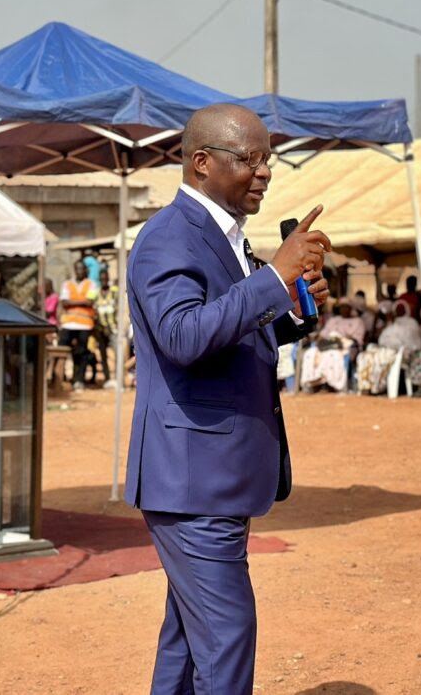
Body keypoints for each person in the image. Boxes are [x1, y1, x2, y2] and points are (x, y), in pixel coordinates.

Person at [124, 103, 328, 694]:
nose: (264, 172)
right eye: (250, 159)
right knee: (226, 637)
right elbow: (183, 337)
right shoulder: (168, 237)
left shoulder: (226, 237)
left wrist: (293, 305)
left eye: (268, 160)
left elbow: (234, 332)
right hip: (193, 481)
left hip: (218, 474)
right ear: (202, 162)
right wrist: (273, 279)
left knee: (189, 642)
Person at [60, 260, 100, 388]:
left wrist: (72, 302)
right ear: (74, 270)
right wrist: (82, 301)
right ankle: (59, 378)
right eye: (77, 268)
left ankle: (79, 379)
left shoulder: (92, 284)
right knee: (62, 351)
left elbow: (90, 301)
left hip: (85, 324)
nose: (80, 271)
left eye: (82, 268)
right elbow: (64, 303)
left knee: (82, 352)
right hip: (68, 323)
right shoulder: (67, 284)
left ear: (86, 270)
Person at [94, 266, 118, 389]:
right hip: (100, 330)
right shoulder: (95, 293)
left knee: (118, 353)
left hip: (114, 329)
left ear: (108, 279)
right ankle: (107, 378)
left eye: (105, 279)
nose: (104, 281)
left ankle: (119, 379)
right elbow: (93, 309)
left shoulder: (114, 292)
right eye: (101, 279)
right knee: (103, 355)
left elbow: (120, 308)